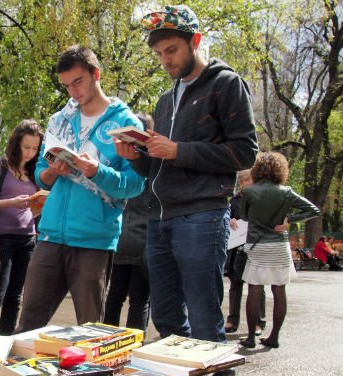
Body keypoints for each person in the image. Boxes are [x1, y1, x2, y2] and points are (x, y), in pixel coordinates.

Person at [115, 5, 258, 342]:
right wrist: (135, 156)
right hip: (160, 218)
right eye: (159, 53)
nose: (165, 60)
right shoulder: (166, 100)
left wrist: (178, 150)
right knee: (165, 318)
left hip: (203, 216)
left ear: (195, 41)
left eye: (172, 50)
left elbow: (245, 151)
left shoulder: (227, 84)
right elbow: (156, 167)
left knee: (205, 320)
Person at [14, 45, 146, 333]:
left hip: (94, 241)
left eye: (78, 82)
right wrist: (50, 172)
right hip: (50, 236)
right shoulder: (59, 120)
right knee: (27, 326)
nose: (73, 92)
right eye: (66, 86)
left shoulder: (127, 123)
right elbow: (39, 175)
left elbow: (136, 185)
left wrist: (98, 172)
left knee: (89, 332)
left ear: (96, 74)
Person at [239, 152, 320, 349]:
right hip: (279, 244)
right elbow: (313, 210)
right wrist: (289, 220)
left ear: (258, 170)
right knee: (279, 290)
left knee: (254, 289)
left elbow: (243, 215)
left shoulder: (249, 192)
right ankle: (274, 337)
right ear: (280, 170)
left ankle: (250, 337)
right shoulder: (286, 192)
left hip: (258, 245)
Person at [0, 120, 43, 335]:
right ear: (16, 144)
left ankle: (6, 343)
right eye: (26, 147)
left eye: (35, 148)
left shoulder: (35, 172)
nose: (30, 153)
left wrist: (37, 205)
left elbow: (31, 210)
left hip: (27, 239)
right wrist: (13, 202)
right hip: (1, 239)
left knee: (15, 297)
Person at [103, 114, 154, 333]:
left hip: (120, 240)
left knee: (114, 296)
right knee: (140, 300)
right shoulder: (153, 171)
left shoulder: (122, 169)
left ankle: (106, 341)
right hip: (145, 243)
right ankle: (134, 348)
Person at [224, 170, 267, 334]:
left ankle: (258, 322)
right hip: (237, 248)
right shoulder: (235, 201)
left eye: (249, 179)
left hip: (257, 245)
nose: (247, 183)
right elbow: (228, 216)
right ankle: (232, 320)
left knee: (257, 285)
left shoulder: (263, 199)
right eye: (244, 180)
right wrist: (231, 220)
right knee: (235, 284)